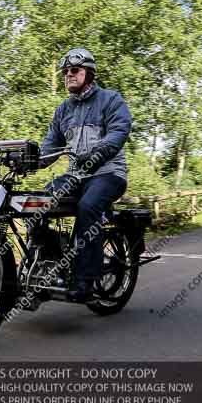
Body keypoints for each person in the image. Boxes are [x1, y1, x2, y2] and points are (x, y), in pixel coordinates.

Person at [39, 47, 133, 303]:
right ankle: (49, 266)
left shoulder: (110, 100)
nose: (68, 75)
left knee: (88, 206)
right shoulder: (63, 110)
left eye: (75, 70)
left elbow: (118, 132)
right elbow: (49, 148)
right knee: (33, 203)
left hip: (108, 173)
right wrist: (24, 160)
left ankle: (86, 280)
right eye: (65, 71)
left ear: (89, 73)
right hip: (77, 176)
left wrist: (98, 152)